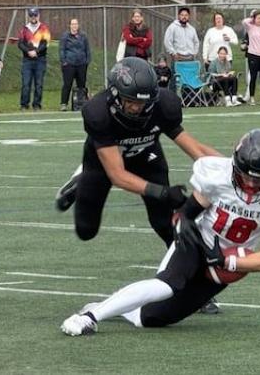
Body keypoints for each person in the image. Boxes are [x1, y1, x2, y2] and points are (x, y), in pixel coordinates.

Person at [61, 128, 260, 336]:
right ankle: (90, 316)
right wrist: (183, 220)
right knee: (166, 285)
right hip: (196, 240)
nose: (251, 185)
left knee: (150, 319)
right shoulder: (218, 175)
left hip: (225, 262)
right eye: (245, 176)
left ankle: (116, 304)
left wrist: (229, 261)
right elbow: (190, 209)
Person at [54, 56, 221, 248]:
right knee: (86, 230)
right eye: (130, 101)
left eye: (142, 102)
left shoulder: (163, 106)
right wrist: (163, 192)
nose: (136, 107)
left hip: (146, 157)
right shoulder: (99, 113)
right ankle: (81, 177)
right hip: (103, 162)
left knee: (166, 224)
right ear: (115, 94)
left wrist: (230, 169)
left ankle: (182, 271)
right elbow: (118, 176)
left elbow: (196, 149)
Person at [18, 7, 51, 111]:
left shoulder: (43, 28)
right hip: (27, 60)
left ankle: (36, 104)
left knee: (39, 84)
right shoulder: (24, 29)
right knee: (26, 84)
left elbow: (45, 43)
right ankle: (24, 104)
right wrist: (28, 51)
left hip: (40, 60)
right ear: (29, 16)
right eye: (31, 15)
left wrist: (36, 52)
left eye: (35, 15)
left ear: (38, 16)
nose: (33, 17)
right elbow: (20, 44)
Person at [164, 6, 200, 92]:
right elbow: (167, 41)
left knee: (189, 80)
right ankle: (172, 99)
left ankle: (189, 100)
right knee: (175, 80)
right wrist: (173, 53)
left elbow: (196, 42)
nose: (184, 17)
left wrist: (194, 53)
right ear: (179, 16)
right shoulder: (172, 27)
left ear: (189, 16)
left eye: (186, 15)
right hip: (178, 58)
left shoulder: (192, 29)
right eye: (182, 15)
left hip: (190, 59)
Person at [59, 18, 91, 111]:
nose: (74, 26)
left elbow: (87, 49)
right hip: (69, 64)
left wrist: (87, 61)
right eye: (72, 24)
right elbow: (62, 49)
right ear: (70, 25)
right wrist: (64, 61)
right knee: (67, 84)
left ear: (78, 25)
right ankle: (64, 103)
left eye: (76, 24)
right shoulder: (65, 36)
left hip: (81, 64)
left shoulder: (83, 36)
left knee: (81, 84)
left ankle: (81, 104)